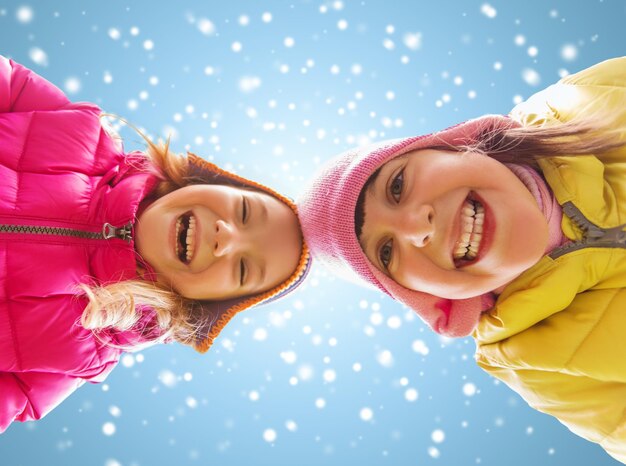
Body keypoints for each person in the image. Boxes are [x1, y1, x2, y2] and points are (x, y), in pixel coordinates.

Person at [298, 57, 626, 463]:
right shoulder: (534, 359)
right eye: (386, 251)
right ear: (425, 297)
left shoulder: (588, 102)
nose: (418, 227)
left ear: (453, 144)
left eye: (397, 185)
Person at [0, 56, 311, 432]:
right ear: (208, 181)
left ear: (203, 304)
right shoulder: (81, 133)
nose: (226, 237)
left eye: (243, 268)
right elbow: (10, 84)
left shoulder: (79, 352)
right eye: (245, 212)